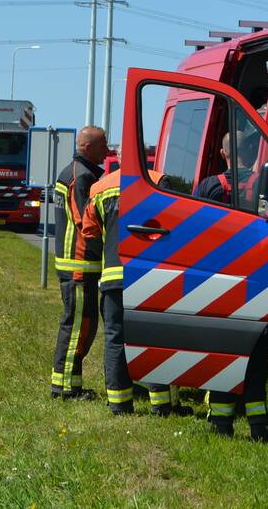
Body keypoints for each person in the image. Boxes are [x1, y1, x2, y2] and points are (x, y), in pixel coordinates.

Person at [81, 164, 192, 417]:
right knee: (155, 338)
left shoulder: (99, 188)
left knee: (114, 338)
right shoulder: (158, 181)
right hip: (149, 276)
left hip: (112, 276)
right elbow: (176, 223)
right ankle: (162, 404)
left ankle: (119, 403)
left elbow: (89, 232)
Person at [195, 132, 268, 440]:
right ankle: (260, 425)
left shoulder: (209, 187)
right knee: (258, 358)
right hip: (259, 282)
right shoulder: (263, 184)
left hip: (220, 283)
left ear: (222, 152)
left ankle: (220, 424)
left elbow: (196, 231)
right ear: (250, 151)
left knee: (222, 356)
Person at [50, 126, 108, 400]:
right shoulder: (81, 177)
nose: (108, 151)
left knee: (79, 325)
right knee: (78, 327)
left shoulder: (75, 171)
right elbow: (86, 221)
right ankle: (65, 389)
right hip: (79, 264)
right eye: (103, 146)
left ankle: (67, 384)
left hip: (76, 264)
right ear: (87, 148)